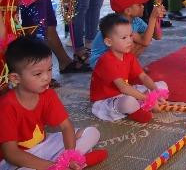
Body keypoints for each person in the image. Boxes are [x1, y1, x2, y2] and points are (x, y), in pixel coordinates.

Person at [0, 37, 107, 170]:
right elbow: (11, 154)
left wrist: (69, 155)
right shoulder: (6, 106)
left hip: (44, 144)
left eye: (50, 69)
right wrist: (51, 166)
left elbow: (66, 126)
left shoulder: (47, 94)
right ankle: (75, 164)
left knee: (91, 132)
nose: (46, 77)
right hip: (19, 159)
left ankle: (69, 163)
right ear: (16, 78)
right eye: (38, 74)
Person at [89, 13, 168, 123]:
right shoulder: (106, 61)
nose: (129, 41)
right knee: (128, 102)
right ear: (108, 42)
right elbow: (123, 88)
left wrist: (157, 92)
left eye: (131, 36)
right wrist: (148, 99)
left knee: (161, 86)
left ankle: (140, 103)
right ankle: (137, 110)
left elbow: (143, 77)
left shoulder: (128, 56)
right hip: (107, 99)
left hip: (124, 92)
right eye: (124, 38)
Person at [89, 0, 163, 68]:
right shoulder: (119, 25)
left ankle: (128, 66)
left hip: (112, 57)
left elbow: (157, 36)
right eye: (139, 5)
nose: (143, 6)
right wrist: (152, 18)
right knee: (134, 42)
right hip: (101, 63)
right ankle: (123, 68)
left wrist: (156, 18)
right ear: (128, 11)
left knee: (145, 36)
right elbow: (145, 42)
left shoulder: (136, 20)